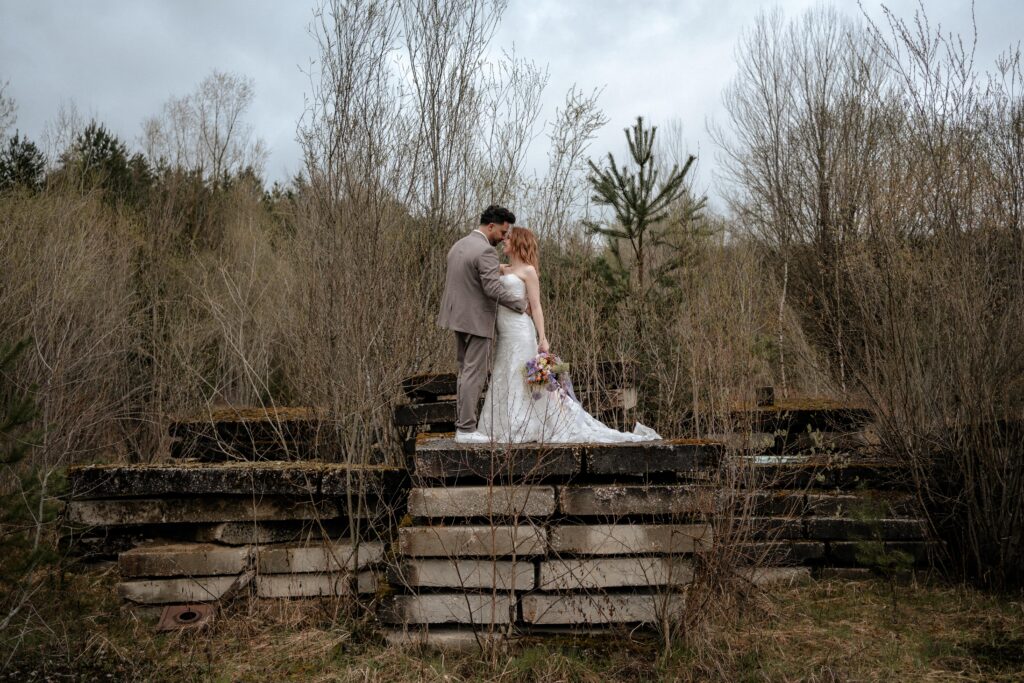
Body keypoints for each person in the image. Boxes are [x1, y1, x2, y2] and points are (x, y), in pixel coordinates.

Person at [477, 226, 661, 443]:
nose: (503, 241)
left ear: (518, 242)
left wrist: (543, 337)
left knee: (521, 376)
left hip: (521, 331)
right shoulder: (503, 269)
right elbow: (481, 270)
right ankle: (500, 425)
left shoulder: (529, 271)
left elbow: (536, 307)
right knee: (503, 372)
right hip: (504, 332)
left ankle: (524, 425)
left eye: (508, 239)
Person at [437, 205, 528, 444]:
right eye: (501, 232)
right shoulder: (486, 251)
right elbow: (492, 289)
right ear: (491, 226)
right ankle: (466, 430)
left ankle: (463, 425)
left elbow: (468, 276)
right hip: (477, 320)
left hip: (456, 317)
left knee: (464, 372)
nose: (503, 238)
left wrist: (497, 268)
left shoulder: (459, 245)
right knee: (474, 374)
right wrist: (519, 303)